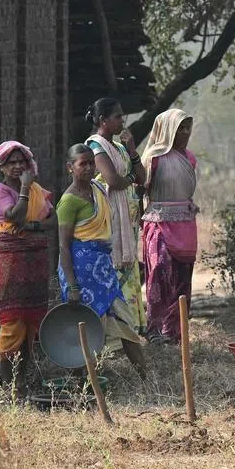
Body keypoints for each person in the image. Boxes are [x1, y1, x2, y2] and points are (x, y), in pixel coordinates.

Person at [57, 144, 148, 378]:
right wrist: (73, 286)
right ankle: (82, 389)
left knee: (125, 324)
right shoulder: (69, 201)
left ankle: (146, 379)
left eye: (90, 163)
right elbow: (64, 247)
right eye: (82, 164)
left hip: (104, 271)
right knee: (84, 331)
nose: (88, 168)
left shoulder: (98, 189)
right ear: (70, 168)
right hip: (81, 272)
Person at [0, 141, 54, 397]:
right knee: (12, 319)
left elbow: (53, 219)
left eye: (21, 162)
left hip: (36, 259)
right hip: (12, 259)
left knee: (31, 321)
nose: (17, 166)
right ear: (1, 167)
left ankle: (22, 384)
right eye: (11, 162)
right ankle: (8, 387)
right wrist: (25, 188)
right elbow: (14, 217)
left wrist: (33, 227)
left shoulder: (37, 189)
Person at [85, 98, 147, 335]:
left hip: (127, 220)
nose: (123, 120)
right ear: (103, 120)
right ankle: (113, 332)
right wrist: (131, 179)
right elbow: (114, 181)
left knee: (129, 268)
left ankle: (130, 329)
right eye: (118, 116)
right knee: (113, 267)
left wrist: (132, 151)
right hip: (109, 219)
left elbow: (142, 176)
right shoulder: (95, 146)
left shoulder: (120, 148)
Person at [140, 108, 198, 344]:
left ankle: (174, 332)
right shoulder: (152, 159)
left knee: (183, 278)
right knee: (159, 271)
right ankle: (154, 328)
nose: (184, 133)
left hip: (185, 223)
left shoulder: (190, 158)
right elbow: (141, 189)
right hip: (159, 222)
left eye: (187, 128)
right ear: (167, 131)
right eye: (179, 128)